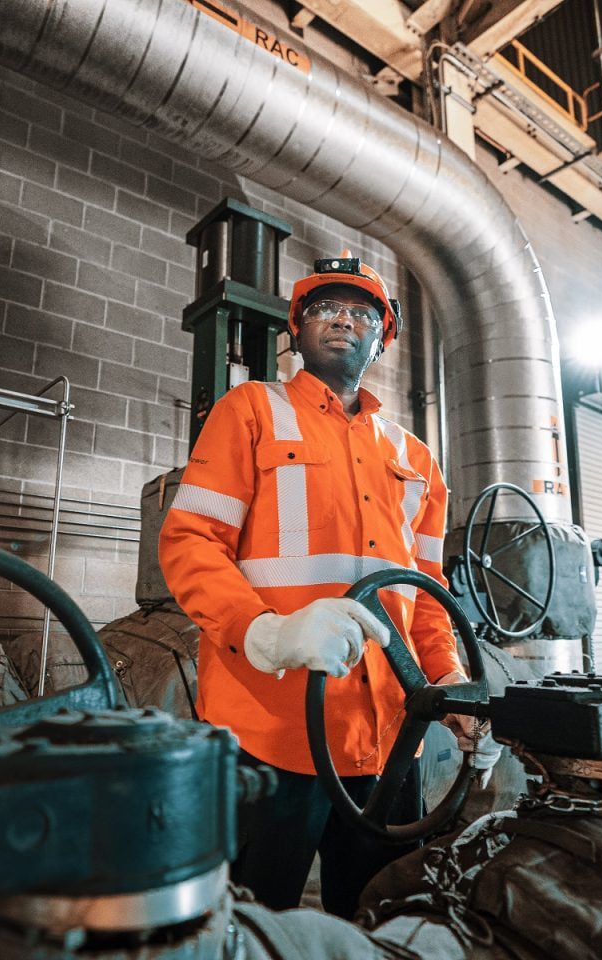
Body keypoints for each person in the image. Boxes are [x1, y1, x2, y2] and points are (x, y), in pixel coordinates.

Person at [158, 252, 486, 919]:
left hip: (391, 736)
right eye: (325, 309)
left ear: (383, 338)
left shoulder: (415, 458)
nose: (343, 320)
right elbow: (190, 541)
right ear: (296, 330)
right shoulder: (251, 411)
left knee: (379, 915)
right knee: (253, 921)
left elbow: (425, 588)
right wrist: (267, 632)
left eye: (361, 311)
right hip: (270, 728)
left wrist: (448, 680)